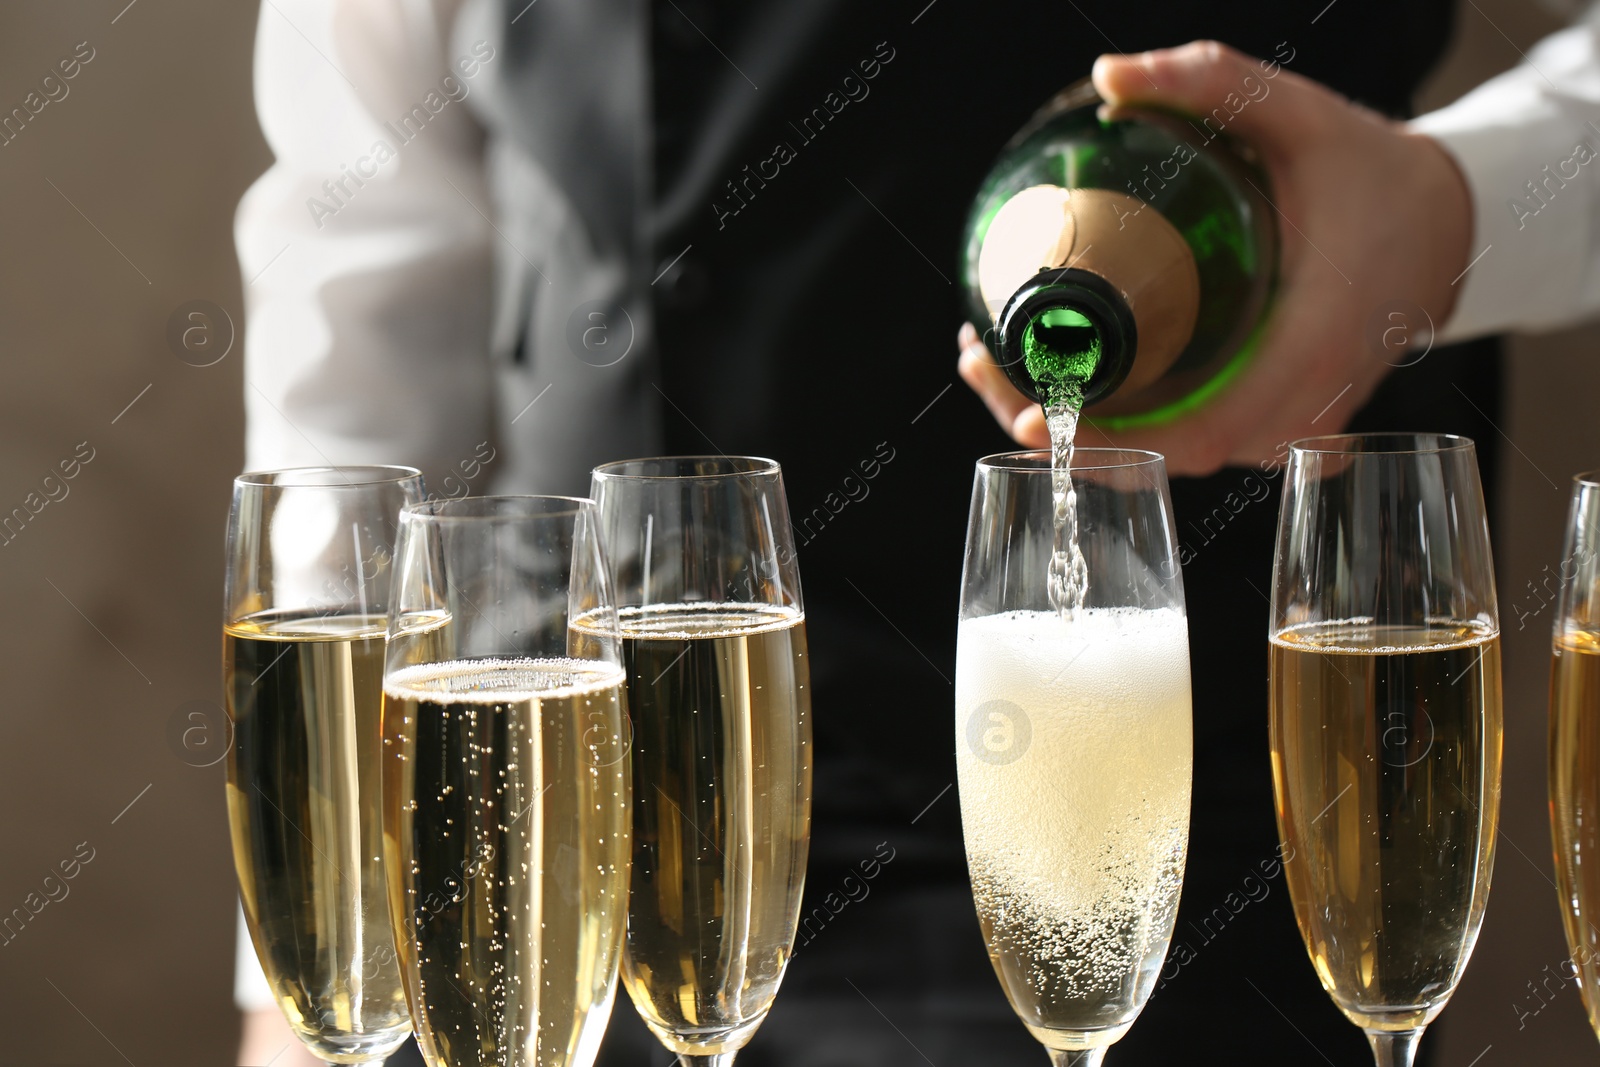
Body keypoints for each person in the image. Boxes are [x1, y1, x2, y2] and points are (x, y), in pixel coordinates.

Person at [230, 2, 1600, 1064]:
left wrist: (1453, 207)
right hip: (541, 808)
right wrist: (316, 939)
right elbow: (370, 249)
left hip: (1140, 824)